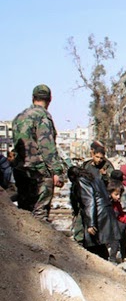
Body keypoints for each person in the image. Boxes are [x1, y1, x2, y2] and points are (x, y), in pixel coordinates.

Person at [12, 84, 65, 221]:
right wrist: (57, 172)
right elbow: (47, 147)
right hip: (39, 172)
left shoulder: (19, 117)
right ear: (50, 99)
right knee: (40, 213)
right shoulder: (43, 117)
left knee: (24, 212)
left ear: (33, 98)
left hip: (21, 170)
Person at [68, 165, 120, 260]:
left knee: (92, 244)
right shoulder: (94, 178)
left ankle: (95, 264)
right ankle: (105, 262)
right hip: (105, 212)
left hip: (97, 214)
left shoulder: (82, 181)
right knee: (99, 244)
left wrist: (91, 223)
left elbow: (89, 201)